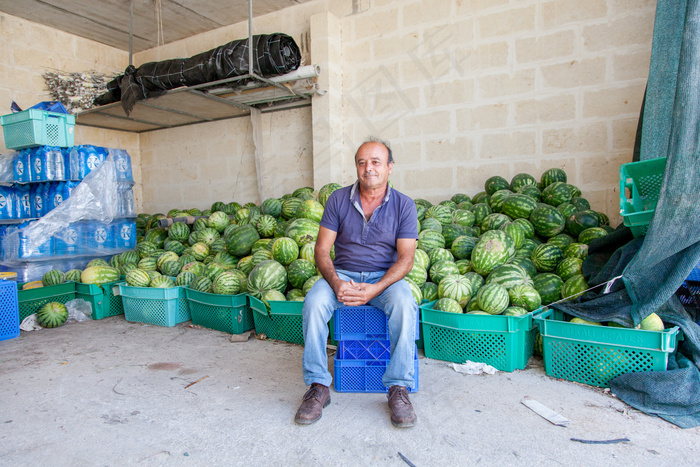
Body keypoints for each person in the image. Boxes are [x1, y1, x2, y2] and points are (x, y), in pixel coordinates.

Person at [294, 138, 419, 428]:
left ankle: (398, 387)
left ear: (389, 167)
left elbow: (406, 259)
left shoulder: (404, 205)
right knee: (313, 303)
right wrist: (336, 282)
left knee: (404, 304)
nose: (368, 168)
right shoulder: (338, 199)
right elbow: (322, 251)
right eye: (362, 162)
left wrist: (376, 288)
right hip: (343, 275)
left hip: (383, 279)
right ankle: (318, 386)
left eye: (376, 162)